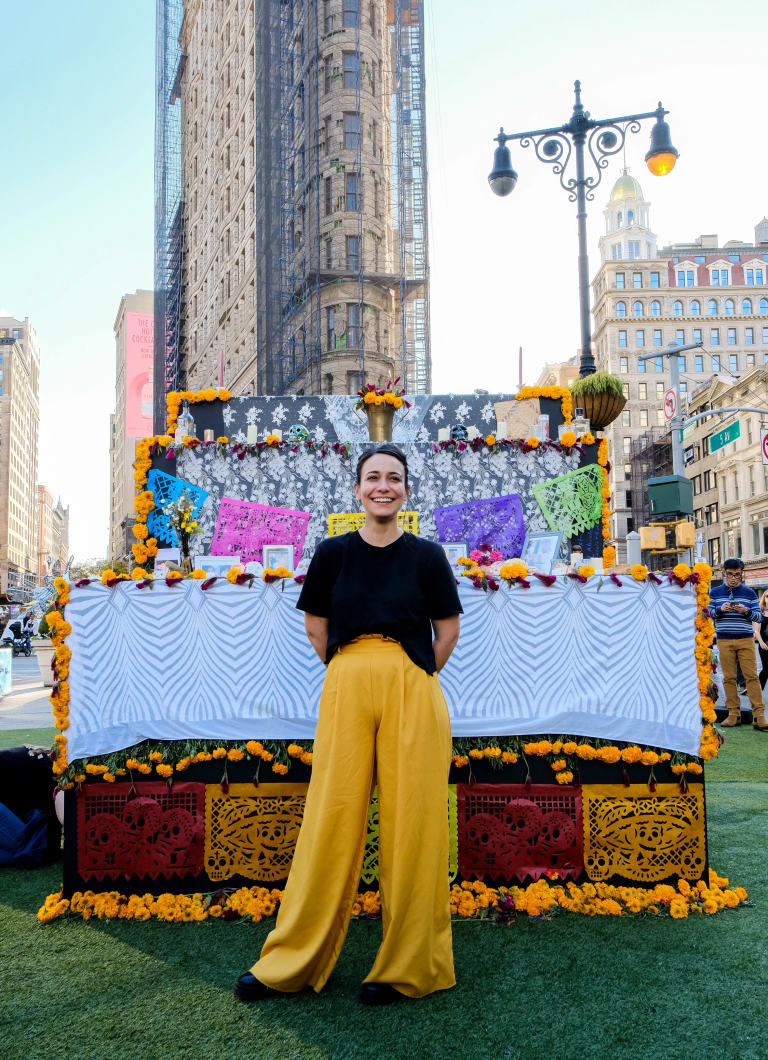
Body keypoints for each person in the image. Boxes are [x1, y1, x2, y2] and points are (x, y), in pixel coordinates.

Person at [235, 443, 462, 1005]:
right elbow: (317, 625)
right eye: (373, 478)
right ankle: (291, 962)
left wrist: (409, 672)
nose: (383, 486)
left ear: (406, 490)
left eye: (394, 478)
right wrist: (352, 670)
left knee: (415, 823)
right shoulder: (332, 553)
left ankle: (408, 967)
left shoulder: (428, 555)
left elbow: (448, 629)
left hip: (413, 685)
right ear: (357, 489)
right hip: (347, 681)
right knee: (331, 817)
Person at [709, 558, 767, 731]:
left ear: (741, 574)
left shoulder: (749, 593)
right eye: (729, 574)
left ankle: (759, 716)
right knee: (729, 678)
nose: (733, 578)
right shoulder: (715, 592)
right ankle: (733, 714)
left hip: (746, 640)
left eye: (737, 575)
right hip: (724, 639)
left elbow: (759, 617)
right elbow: (708, 613)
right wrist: (720, 610)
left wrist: (746, 611)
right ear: (723, 573)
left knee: (751, 677)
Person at [757, 589, 768, 690]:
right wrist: (761, 642)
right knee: (766, 668)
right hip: (764, 645)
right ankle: (757, 690)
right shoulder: (760, 612)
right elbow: (757, 631)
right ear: (764, 598)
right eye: (767, 596)